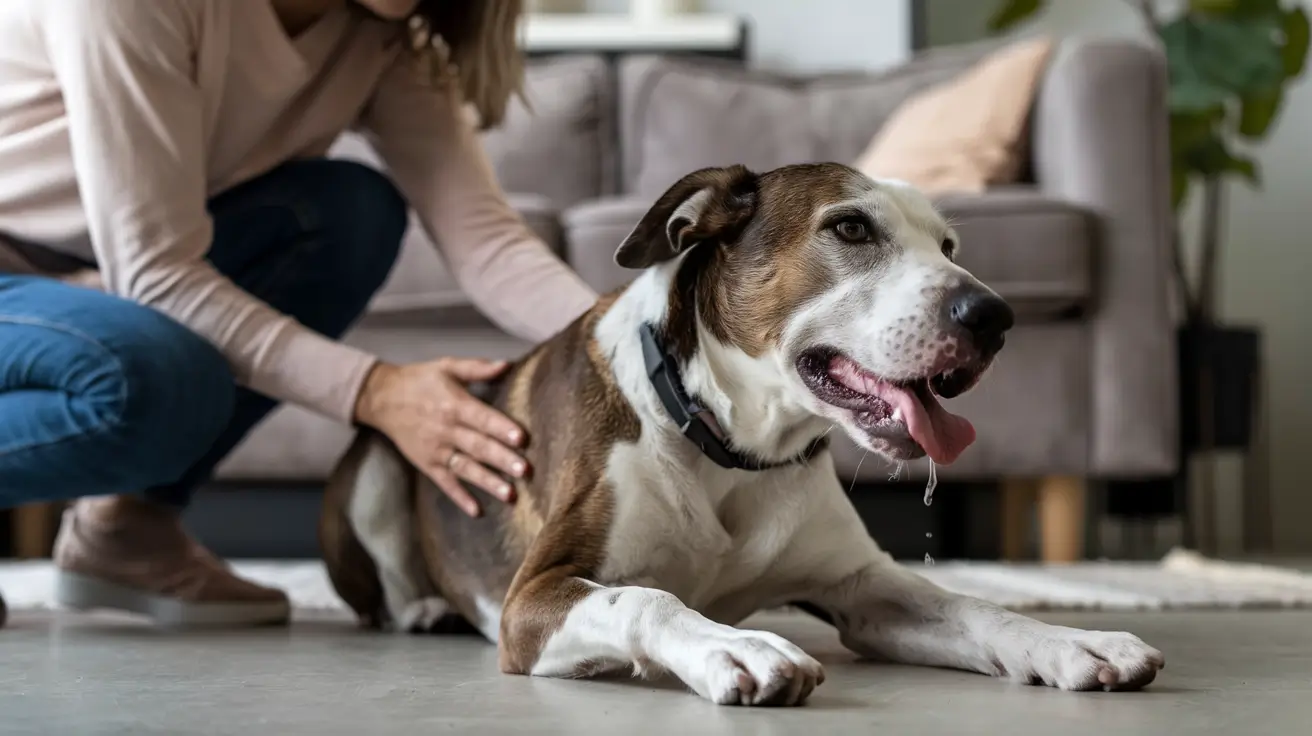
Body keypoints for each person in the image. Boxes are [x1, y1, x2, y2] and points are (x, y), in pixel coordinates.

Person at [0, 0, 597, 627]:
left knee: (348, 215)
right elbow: (157, 275)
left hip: (91, 277)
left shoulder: (382, 36)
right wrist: (376, 390)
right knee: (158, 379)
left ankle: (126, 527)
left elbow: (487, 243)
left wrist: (633, 337)